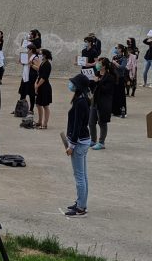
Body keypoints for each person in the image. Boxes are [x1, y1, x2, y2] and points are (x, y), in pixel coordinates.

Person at [64, 72, 92, 217]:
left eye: (73, 83)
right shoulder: (82, 99)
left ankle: (81, 208)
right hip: (83, 141)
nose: (71, 85)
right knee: (83, 175)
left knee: (79, 176)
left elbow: (77, 126)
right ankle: (81, 202)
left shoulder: (80, 102)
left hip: (79, 143)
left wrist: (71, 146)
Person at [88, 57, 116, 150]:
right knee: (91, 122)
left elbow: (106, 90)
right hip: (94, 101)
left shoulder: (110, 77)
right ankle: (93, 140)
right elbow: (93, 86)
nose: (97, 64)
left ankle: (101, 142)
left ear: (104, 66)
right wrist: (91, 82)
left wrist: (98, 82)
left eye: (99, 63)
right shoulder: (96, 73)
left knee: (102, 122)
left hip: (104, 102)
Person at [34, 49, 53, 129]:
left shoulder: (47, 64)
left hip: (45, 87)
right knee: (38, 104)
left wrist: (37, 86)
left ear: (45, 55)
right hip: (40, 85)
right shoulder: (42, 63)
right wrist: (36, 83)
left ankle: (45, 124)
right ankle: (39, 121)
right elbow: (39, 73)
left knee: (45, 105)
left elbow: (44, 77)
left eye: (41, 54)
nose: (40, 55)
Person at [19, 46, 39, 118]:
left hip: (31, 78)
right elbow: (24, 64)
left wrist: (31, 64)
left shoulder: (35, 57)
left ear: (31, 50)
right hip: (25, 77)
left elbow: (38, 68)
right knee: (22, 93)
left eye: (28, 49)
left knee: (31, 94)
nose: (27, 50)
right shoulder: (26, 56)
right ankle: (20, 108)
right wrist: (21, 61)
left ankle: (31, 109)